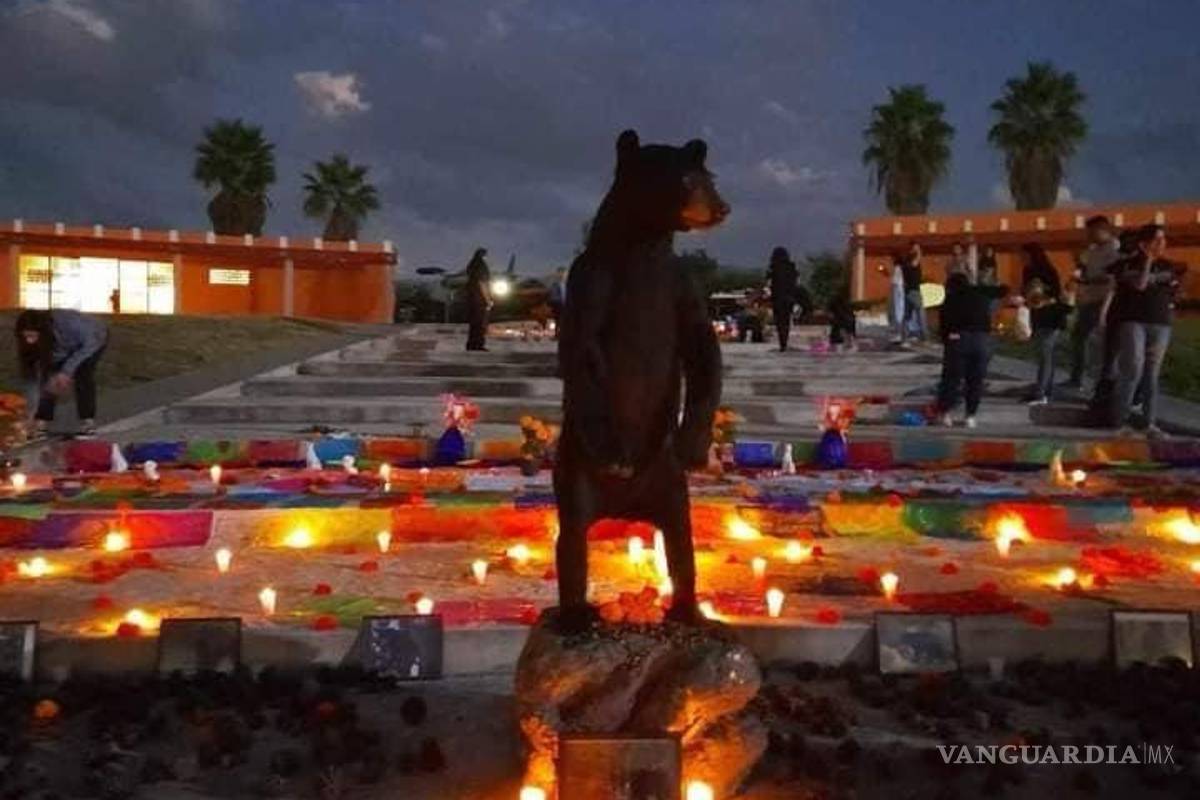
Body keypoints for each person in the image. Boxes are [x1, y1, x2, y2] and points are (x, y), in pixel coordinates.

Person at [1109, 224, 1187, 437]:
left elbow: (1173, 289)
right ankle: (1121, 421)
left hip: (1161, 322)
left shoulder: (1169, 266)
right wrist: (1147, 261)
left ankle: (1148, 422)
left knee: (1152, 373)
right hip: (1133, 321)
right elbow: (1141, 284)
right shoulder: (1125, 265)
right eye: (1157, 240)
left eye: (1164, 240)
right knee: (1133, 368)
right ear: (1144, 243)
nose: (1162, 244)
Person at [15, 308, 109, 438]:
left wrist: (66, 371)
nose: (29, 341)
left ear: (43, 332)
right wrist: (31, 412)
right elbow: (32, 380)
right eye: (26, 337)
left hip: (94, 340)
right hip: (61, 348)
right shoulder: (34, 342)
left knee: (83, 375)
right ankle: (41, 422)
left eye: (33, 336)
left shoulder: (69, 324)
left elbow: (90, 343)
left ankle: (88, 423)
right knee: (49, 378)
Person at [934, 272, 1010, 428]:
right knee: (975, 381)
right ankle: (970, 416)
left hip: (958, 339)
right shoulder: (980, 294)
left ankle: (945, 414)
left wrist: (947, 339)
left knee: (951, 379)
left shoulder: (951, 299)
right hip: (981, 341)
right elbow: (1003, 290)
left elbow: (944, 325)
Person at [1068, 215, 1121, 390]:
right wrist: (1079, 265)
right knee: (1078, 338)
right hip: (1088, 299)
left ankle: (1106, 383)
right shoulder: (1092, 251)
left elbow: (1112, 278)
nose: (1088, 235)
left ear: (1101, 230)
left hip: (1104, 300)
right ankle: (1076, 378)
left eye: (1091, 232)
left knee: (1102, 344)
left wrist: (1089, 280)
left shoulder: (1114, 249)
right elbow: (1086, 273)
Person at [1021, 243, 1070, 405]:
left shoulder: (1048, 271)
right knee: (1044, 355)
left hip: (1051, 316)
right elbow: (1025, 291)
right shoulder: (1027, 272)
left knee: (1046, 354)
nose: (1023, 259)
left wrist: (1042, 300)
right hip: (1037, 316)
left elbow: (1056, 293)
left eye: (1025, 256)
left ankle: (1041, 393)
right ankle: (1045, 390)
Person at [766, 246, 798, 351]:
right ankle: (784, 342)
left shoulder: (773, 268)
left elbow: (769, 284)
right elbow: (795, 285)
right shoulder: (791, 268)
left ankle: (782, 344)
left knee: (780, 323)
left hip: (777, 300)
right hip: (789, 299)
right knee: (786, 321)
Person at [464, 248, 493, 351]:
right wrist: (488, 299)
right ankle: (478, 345)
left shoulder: (472, 265)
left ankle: (471, 344)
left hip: (471, 298)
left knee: (473, 323)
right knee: (480, 323)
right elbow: (482, 283)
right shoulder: (482, 266)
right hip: (479, 299)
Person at [900, 241, 927, 344]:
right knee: (920, 314)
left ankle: (905, 337)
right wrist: (918, 252)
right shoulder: (910, 259)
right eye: (916, 248)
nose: (918, 250)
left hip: (909, 290)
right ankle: (924, 337)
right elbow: (914, 264)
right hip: (913, 291)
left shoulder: (908, 259)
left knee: (907, 315)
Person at [828, 287, 857, 351]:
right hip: (844, 324)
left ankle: (846, 341)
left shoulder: (838, 306)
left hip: (841, 325)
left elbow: (831, 316)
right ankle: (847, 341)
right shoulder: (847, 306)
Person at [887, 252, 906, 341]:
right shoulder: (900, 269)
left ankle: (898, 334)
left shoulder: (897, 268)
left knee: (897, 312)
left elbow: (895, 281)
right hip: (898, 291)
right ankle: (899, 333)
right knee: (898, 312)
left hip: (898, 292)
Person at [548, 267, 567, 336]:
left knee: (563, 320)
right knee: (558, 320)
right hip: (558, 305)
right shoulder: (554, 285)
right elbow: (553, 296)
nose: (563, 275)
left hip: (565, 305)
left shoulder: (566, 284)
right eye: (561, 273)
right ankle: (557, 334)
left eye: (564, 273)